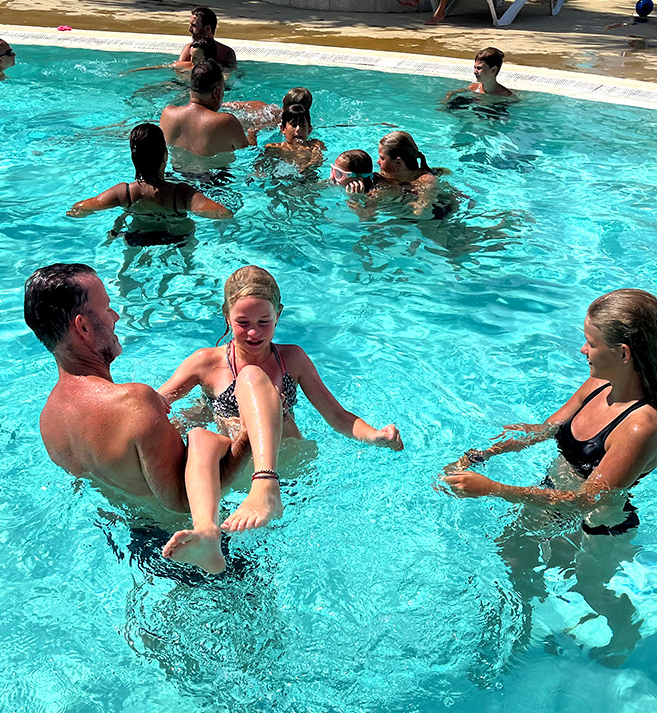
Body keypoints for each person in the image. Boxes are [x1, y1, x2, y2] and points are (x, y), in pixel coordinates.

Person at [25, 263, 288, 574]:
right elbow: (179, 501)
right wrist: (250, 433)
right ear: (82, 327)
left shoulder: (49, 422)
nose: (115, 317)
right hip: (201, 548)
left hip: (142, 548)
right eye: (107, 308)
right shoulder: (134, 402)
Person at [157, 265, 405, 527]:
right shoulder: (206, 363)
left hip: (292, 462)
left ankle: (266, 492)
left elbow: (337, 415)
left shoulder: (292, 359)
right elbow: (156, 403)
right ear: (227, 316)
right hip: (239, 470)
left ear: (278, 315)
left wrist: (374, 435)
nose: (254, 332)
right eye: (243, 323)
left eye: (264, 322)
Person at [440, 289, 657, 535]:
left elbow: (587, 500)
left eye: (592, 344)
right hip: (549, 496)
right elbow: (543, 430)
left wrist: (493, 488)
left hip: (594, 530)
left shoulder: (640, 427)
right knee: (506, 558)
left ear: (623, 353)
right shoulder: (600, 384)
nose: (583, 350)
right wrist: (477, 456)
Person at [67, 123, 232, 244]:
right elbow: (223, 213)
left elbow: (79, 209)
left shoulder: (124, 192)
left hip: (137, 237)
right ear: (165, 156)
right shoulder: (182, 193)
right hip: (177, 238)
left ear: (134, 159)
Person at [160, 59, 253, 157]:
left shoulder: (167, 114)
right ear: (216, 92)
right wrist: (252, 134)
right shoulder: (227, 122)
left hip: (174, 171)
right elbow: (248, 154)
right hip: (215, 172)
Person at [374, 130, 439, 217]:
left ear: (398, 162)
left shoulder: (426, 181)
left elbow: (421, 211)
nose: (377, 161)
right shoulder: (383, 176)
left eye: (382, 158)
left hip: (438, 216)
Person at [264, 104, 325, 170]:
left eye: (302, 125)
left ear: (309, 130)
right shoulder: (275, 148)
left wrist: (307, 167)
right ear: (283, 129)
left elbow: (318, 161)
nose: (298, 129)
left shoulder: (315, 145)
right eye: (294, 125)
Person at [443, 47, 514, 101]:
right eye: (475, 67)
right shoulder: (473, 88)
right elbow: (451, 93)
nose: (474, 71)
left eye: (479, 68)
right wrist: (447, 98)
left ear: (493, 70)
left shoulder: (506, 96)